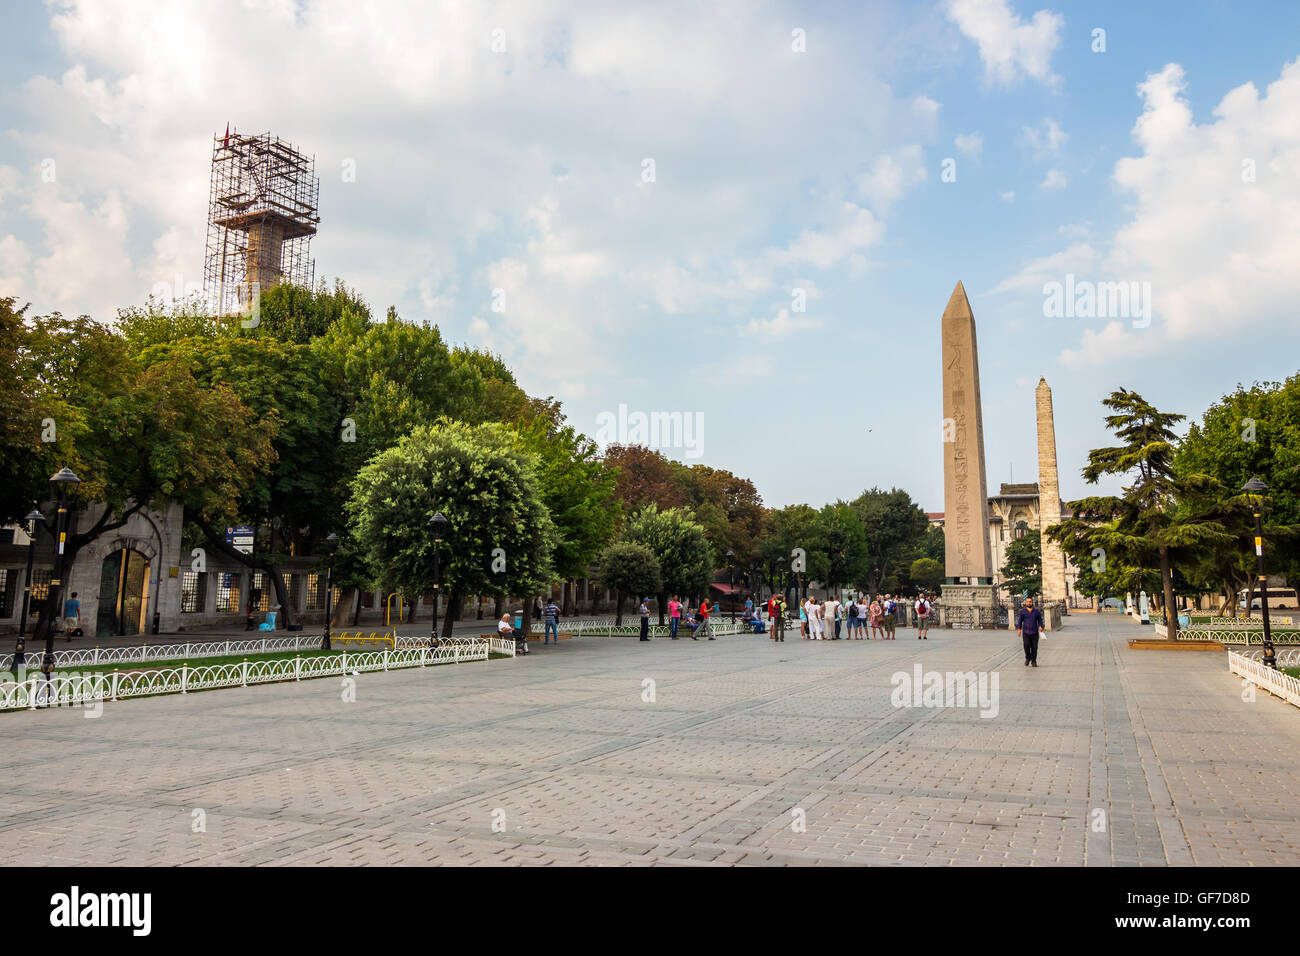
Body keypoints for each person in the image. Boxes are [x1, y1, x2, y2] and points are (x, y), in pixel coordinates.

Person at [1017, 597, 1044, 667]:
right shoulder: (1023, 612)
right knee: (1026, 646)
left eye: (1030, 602)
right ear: (1025, 603)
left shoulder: (1036, 612)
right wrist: (1019, 629)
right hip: (1026, 633)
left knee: (1034, 647)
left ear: (1032, 602)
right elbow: (1020, 621)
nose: (1029, 603)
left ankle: (1034, 661)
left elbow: (1040, 620)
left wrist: (1041, 626)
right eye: (1027, 602)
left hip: (1034, 632)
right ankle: (1028, 658)